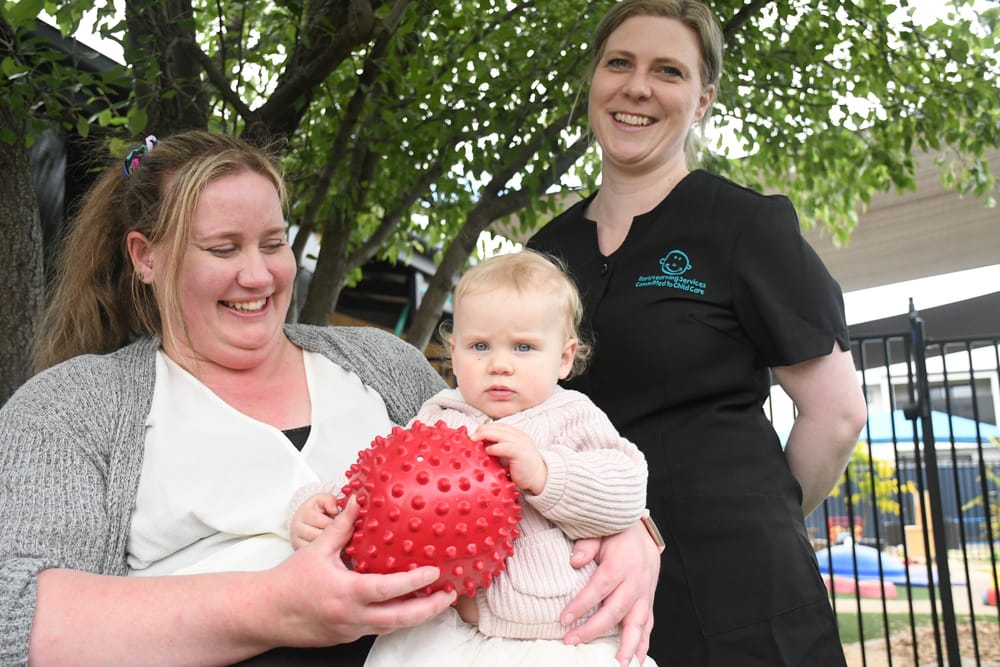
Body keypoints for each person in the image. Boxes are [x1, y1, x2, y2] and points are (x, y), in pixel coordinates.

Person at [0, 130, 661, 665]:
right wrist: (270, 607)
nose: (257, 274)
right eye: (222, 247)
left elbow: (521, 446)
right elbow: (15, 610)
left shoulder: (382, 363)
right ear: (146, 256)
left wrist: (634, 532)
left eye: (273, 242)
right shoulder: (73, 408)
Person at [528, 1, 869, 665]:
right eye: (619, 63)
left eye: (669, 71)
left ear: (703, 100)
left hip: (740, 589)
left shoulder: (745, 227)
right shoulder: (546, 252)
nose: (637, 87)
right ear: (594, 80)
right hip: (585, 587)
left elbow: (837, 413)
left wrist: (754, 521)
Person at [290, 250, 654, 666]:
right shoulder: (438, 416)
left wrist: (546, 474)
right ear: (453, 350)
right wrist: (317, 505)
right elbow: (382, 483)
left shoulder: (573, 416)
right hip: (449, 628)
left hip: (563, 635)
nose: (499, 364)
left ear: (565, 357)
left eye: (523, 347)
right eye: (479, 345)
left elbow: (626, 490)